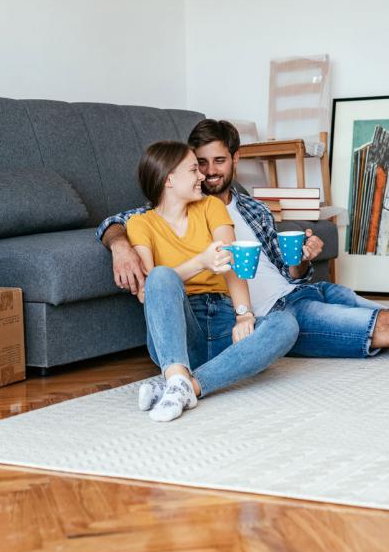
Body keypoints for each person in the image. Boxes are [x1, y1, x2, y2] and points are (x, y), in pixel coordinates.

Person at [99, 120, 389, 360]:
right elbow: (121, 221)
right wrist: (118, 244)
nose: (207, 173)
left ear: (235, 161)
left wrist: (305, 258)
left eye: (218, 161)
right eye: (199, 164)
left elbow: (285, 269)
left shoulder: (253, 209)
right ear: (183, 170)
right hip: (272, 311)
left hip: (303, 289)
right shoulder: (179, 209)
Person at [124, 140, 298, 422]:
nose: (202, 176)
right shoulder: (140, 224)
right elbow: (148, 291)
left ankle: (183, 385)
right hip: (179, 330)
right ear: (169, 179)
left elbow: (233, 263)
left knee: (285, 324)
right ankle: (179, 374)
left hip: (223, 323)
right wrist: (200, 263)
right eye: (194, 169)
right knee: (160, 275)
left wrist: (244, 316)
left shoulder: (211, 207)